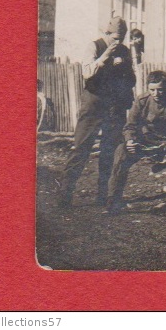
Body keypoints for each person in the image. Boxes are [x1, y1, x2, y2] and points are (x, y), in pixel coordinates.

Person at [57, 17, 136, 208]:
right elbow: (87, 72)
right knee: (81, 147)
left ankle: (105, 195)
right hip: (94, 103)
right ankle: (65, 192)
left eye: (122, 38)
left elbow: (132, 79)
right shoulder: (94, 46)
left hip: (114, 105)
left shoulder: (125, 51)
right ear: (106, 34)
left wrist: (123, 68)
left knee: (110, 150)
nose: (118, 42)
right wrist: (105, 57)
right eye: (115, 38)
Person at [105, 71, 166, 217]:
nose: (156, 94)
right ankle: (113, 200)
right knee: (121, 150)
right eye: (152, 89)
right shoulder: (142, 100)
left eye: (160, 89)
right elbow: (130, 126)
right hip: (147, 143)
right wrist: (130, 141)